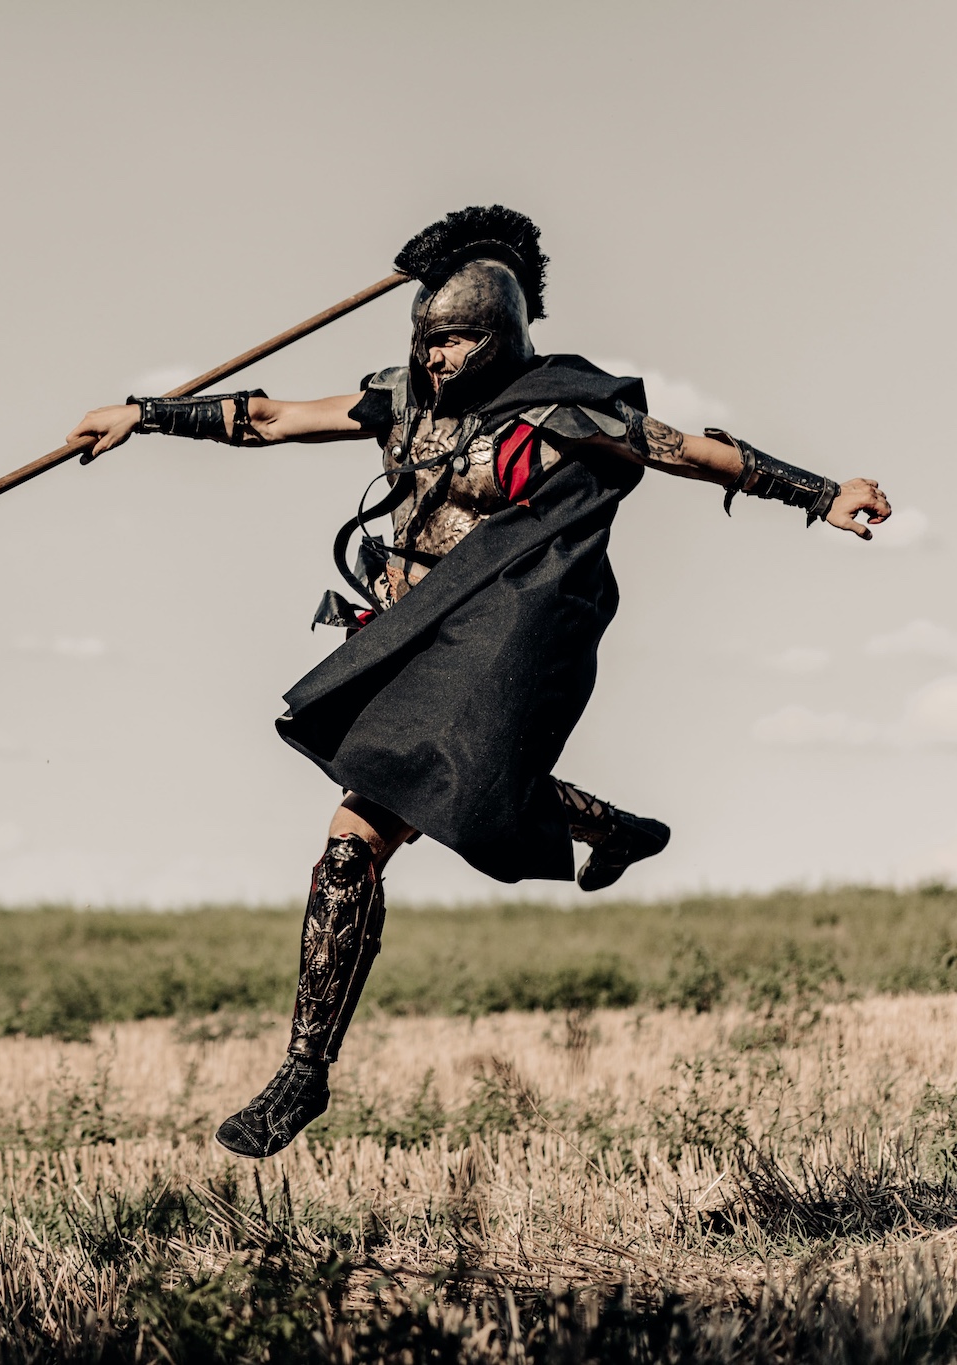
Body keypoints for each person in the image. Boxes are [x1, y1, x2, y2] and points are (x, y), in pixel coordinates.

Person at [67, 206, 891, 1159]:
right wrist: (144, 414)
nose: (438, 355)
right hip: (408, 641)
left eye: (457, 337)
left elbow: (694, 452)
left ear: (500, 334)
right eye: (428, 337)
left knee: (353, 841)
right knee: (442, 797)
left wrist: (822, 493)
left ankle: (302, 1071)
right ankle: (606, 827)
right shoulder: (399, 403)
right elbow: (272, 418)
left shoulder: (563, 414)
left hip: (498, 644)